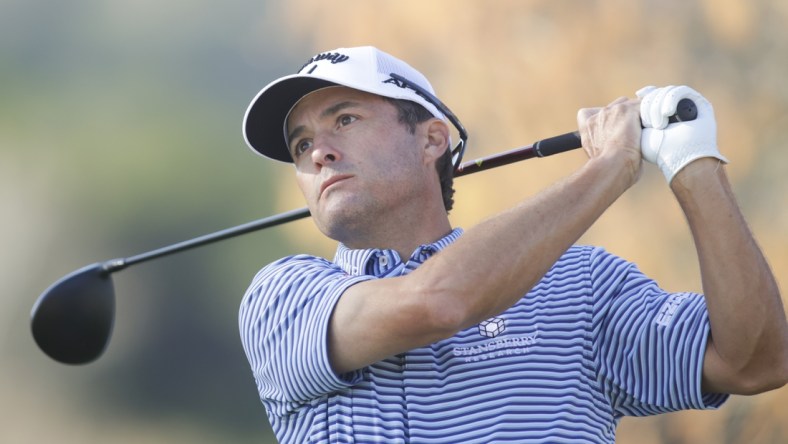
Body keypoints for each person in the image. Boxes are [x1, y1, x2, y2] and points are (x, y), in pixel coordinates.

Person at [238, 46, 788, 443]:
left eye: (346, 120)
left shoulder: (582, 284)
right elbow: (437, 301)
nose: (318, 154)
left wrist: (693, 163)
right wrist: (610, 169)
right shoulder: (283, 296)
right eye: (302, 143)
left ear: (432, 138)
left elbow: (757, 362)